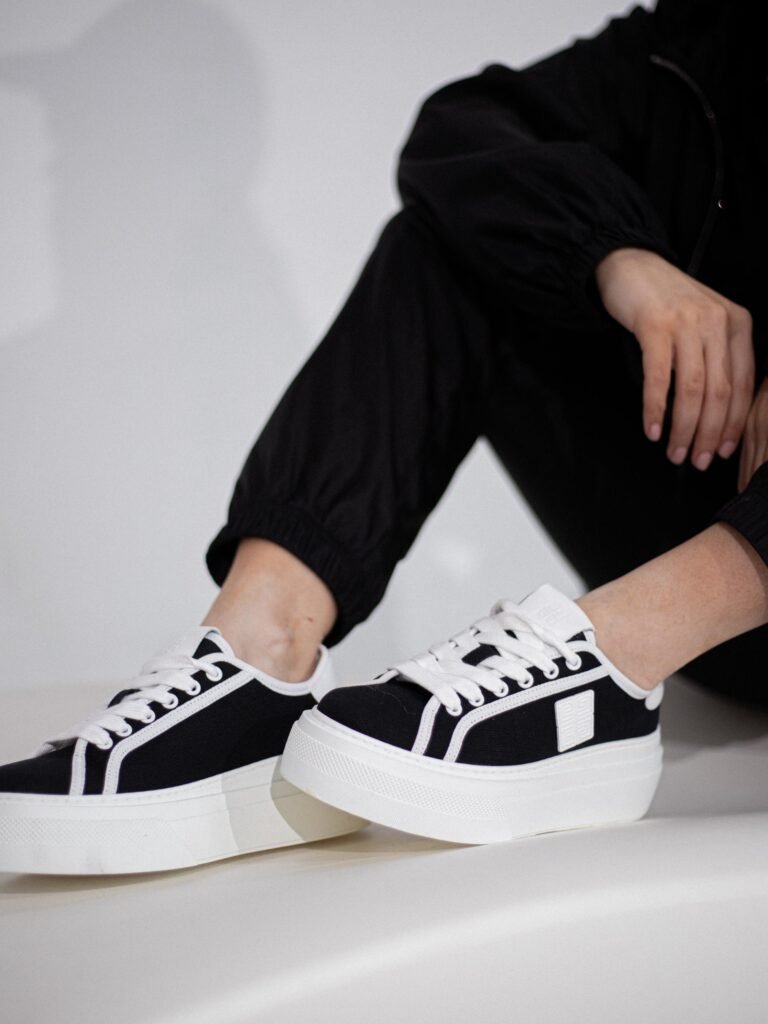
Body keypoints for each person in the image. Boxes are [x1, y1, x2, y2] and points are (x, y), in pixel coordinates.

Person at [0, 0, 767, 870]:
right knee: (459, 234)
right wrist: (621, 259)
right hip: (699, 491)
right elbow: (461, 124)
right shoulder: (698, 42)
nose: (56, 164)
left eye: (79, 135)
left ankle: (612, 660)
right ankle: (263, 654)